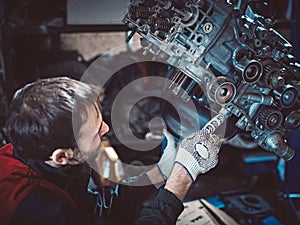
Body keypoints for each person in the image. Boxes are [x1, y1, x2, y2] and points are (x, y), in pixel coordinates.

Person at [0, 76, 223, 225]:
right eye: (96, 131)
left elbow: (98, 212)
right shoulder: (38, 210)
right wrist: (181, 178)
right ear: (62, 156)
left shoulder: (35, 153)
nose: (106, 129)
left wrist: (159, 174)